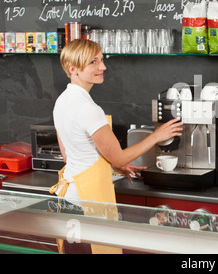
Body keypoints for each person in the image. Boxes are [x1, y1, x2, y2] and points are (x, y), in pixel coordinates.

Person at [50, 39, 183, 253]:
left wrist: (111, 166)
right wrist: (156, 136)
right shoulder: (88, 109)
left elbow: (69, 156)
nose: (102, 67)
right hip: (88, 201)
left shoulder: (62, 101)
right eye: (93, 62)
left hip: (68, 200)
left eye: (102, 60)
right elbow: (119, 158)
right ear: (72, 68)